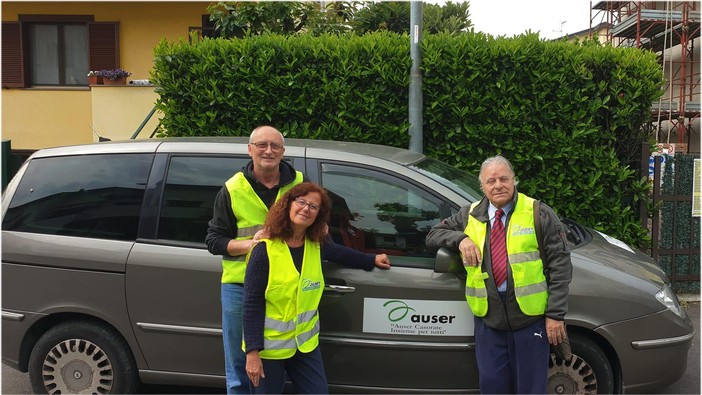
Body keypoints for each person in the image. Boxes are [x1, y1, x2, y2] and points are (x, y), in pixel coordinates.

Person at [426, 155, 572, 394]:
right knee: (492, 386)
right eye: (491, 181)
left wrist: (555, 315)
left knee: (530, 389)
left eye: (504, 178)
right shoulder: (469, 215)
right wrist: (460, 239)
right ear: (482, 186)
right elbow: (433, 234)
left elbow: (560, 264)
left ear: (514, 180)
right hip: (489, 321)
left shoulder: (538, 213)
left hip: (530, 319)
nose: (498, 185)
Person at [243, 182, 391, 394]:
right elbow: (251, 304)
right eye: (301, 202)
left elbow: (341, 254)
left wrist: (372, 259)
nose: (306, 209)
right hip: (269, 350)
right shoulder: (264, 250)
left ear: (318, 216)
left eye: (313, 207)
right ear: (288, 205)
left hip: (305, 346)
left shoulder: (316, 244)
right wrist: (252, 353)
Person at [206, 125, 305, 394]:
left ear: (283, 152)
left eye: (275, 146)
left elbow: (318, 228)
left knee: (278, 362)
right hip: (240, 286)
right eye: (262, 145)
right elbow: (214, 241)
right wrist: (252, 245)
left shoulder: (299, 185)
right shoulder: (233, 188)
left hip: (286, 288)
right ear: (250, 149)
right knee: (239, 365)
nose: (268, 151)